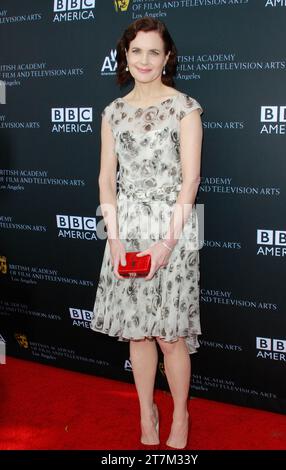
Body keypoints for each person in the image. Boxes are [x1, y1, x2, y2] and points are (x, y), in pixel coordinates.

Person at [91, 17, 203, 449]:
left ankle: (180, 414)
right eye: (136, 51)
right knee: (138, 331)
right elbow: (105, 180)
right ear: (125, 55)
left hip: (174, 229)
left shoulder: (186, 108)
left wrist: (166, 244)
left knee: (169, 335)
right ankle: (146, 411)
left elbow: (190, 181)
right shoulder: (113, 113)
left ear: (167, 57)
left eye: (153, 51)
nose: (144, 60)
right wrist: (115, 239)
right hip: (126, 229)